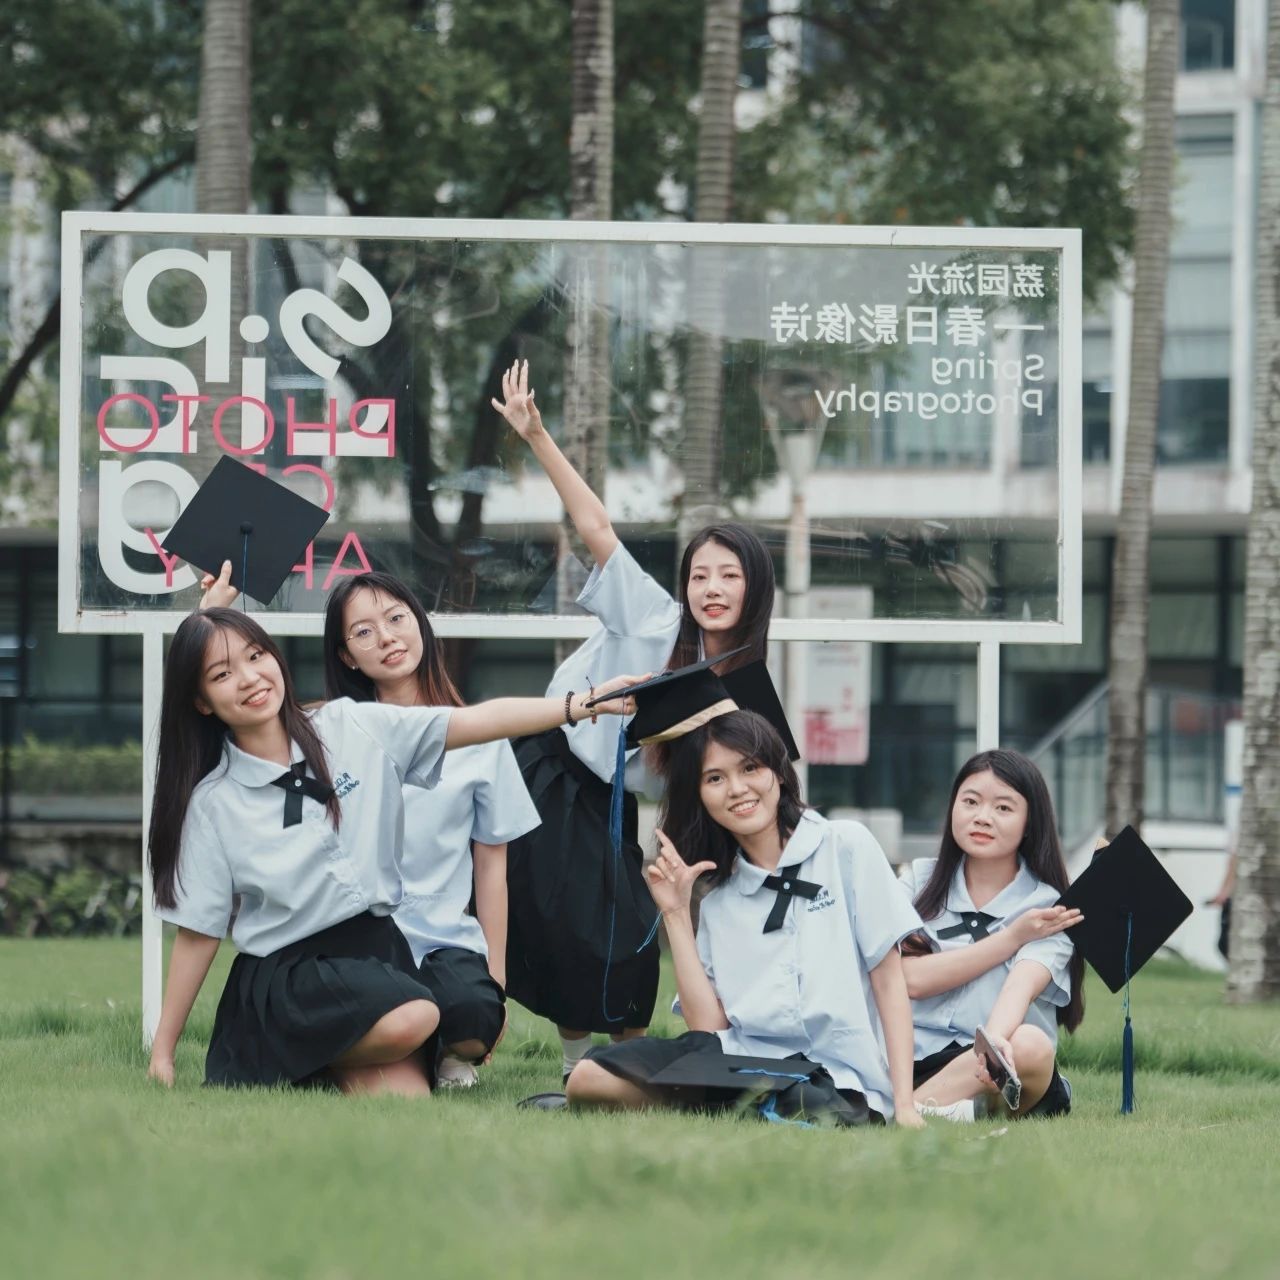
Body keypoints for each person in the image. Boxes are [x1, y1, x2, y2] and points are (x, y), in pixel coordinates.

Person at [145, 607, 638, 1095]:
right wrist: (163, 1053)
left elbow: (476, 721)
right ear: (202, 701)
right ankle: (266, 1042)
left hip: (374, 951)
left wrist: (584, 703)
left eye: (256, 656)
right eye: (223, 674)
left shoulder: (349, 725)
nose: (250, 678)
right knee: (419, 1016)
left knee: (407, 1099)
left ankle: (304, 1065)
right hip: (290, 973)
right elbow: (199, 933)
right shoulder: (213, 801)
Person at [491, 359, 776, 1080]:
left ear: (756, 589)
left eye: (730, 575)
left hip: (618, 804)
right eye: (701, 574)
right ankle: (577, 1064)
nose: (712, 588)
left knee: (628, 932)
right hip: (553, 767)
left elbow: (761, 786)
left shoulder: (744, 687)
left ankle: (613, 1068)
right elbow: (595, 526)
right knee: (579, 922)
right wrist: (537, 436)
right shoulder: (656, 618)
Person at [564, 709, 925, 1128]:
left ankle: (728, 1108)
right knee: (589, 1077)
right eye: (715, 778)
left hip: (838, 1076)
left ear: (779, 772)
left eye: (750, 768)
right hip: (740, 1065)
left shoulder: (846, 845)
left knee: (810, 1100)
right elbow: (708, 1028)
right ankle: (739, 1108)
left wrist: (905, 1104)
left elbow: (889, 980)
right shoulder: (720, 898)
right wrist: (676, 914)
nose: (737, 789)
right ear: (699, 794)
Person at [322, 571, 541, 1088]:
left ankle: (435, 1051)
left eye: (396, 618)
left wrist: (496, 978)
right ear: (347, 656)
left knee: (473, 1015)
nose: (387, 637)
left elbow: (491, 867)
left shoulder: (480, 736)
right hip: (362, 937)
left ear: (420, 624)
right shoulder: (334, 736)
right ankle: (409, 1052)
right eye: (364, 631)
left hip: (443, 938)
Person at [903, 749, 1085, 1122]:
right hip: (911, 1056)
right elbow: (909, 980)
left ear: (1029, 823)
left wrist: (993, 1048)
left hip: (992, 1067)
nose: (982, 817)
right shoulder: (917, 882)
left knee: (1031, 1045)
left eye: (1003, 808)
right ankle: (944, 1110)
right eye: (970, 802)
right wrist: (1012, 937)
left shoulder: (1049, 907)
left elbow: (1021, 985)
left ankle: (905, 1112)